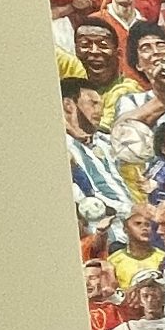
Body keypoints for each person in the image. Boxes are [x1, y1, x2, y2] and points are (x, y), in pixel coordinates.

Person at [63, 78, 133, 226]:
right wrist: (130, 211)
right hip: (100, 230)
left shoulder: (105, 141)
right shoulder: (62, 147)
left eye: (101, 105)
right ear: (68, 105)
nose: (100, 111)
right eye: (93, 103)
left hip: (131, 226)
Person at [85, 260, 135, 330]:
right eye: (83, 278)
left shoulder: (119, 307)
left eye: (93, 278)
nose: (86, 283)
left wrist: (112, 291)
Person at [106, 205, 165, 290]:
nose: (144, 228)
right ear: (125, 229)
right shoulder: (113, 261)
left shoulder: (164, 259)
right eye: (138, 223)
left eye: (147, 225)